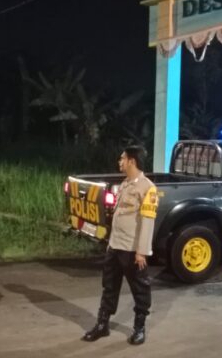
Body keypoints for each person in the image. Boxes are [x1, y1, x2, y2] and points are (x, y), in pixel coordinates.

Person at [82, 146, 159, 345]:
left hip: (132, 250)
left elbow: (147, 222)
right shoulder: (124, 184)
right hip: (115, 246)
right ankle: (102, 325)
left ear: (132, 161)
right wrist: (110, 244)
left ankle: (139, 328)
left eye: (122, 158)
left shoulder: (148, 188)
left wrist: (142, 252)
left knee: (140, 290)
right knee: (109, 287)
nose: (120, 162)